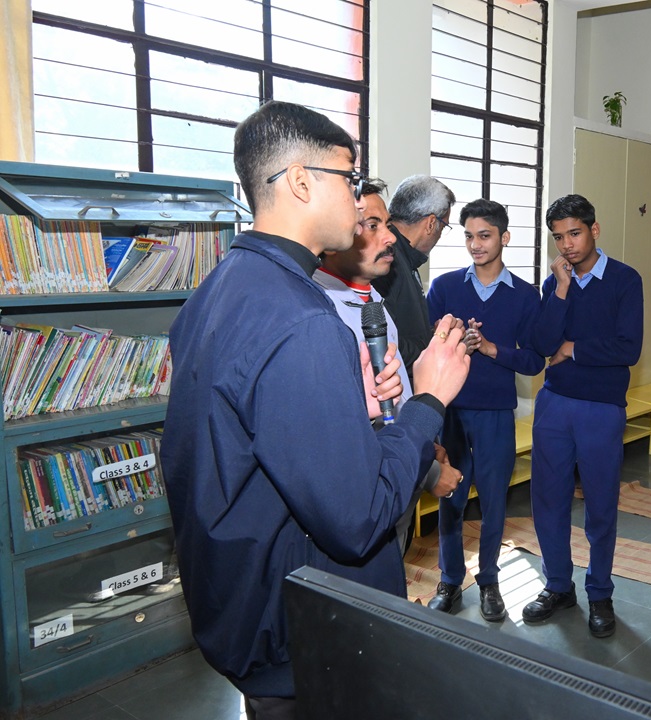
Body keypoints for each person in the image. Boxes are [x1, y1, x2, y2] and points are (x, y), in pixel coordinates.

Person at [160, 101, 470, 718]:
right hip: (302, 634)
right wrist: (428, 399)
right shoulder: (303, 319)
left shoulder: (222, 288)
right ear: (301, 181)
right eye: (348, 179)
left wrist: (348, 406)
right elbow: (357, 519)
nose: (358, 202)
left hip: (242, 605)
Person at [314, 178, 462, 553]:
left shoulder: (372, 299)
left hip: (403, 461)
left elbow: (395, 395)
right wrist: (429, 471)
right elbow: (355, 427)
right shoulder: (321, 312)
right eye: (372, 225)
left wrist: (426, 447)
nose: (391, 237)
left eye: (386, 224)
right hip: (369, 489)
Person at [523, 194, 644, 638]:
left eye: (574, 233)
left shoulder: (625, 280)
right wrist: (559, 290)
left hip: (601, 408)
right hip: (554, 403)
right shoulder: (555, 282)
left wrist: (572, 348)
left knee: (600, 505)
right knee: (548, 500)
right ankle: (558, 585)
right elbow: (541, 343)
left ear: (594, 229)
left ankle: (600, 592)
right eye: (558, 237)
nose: (567, 245)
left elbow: (628, 347)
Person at [425, 198, 545, 621]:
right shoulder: (444, 288)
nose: (475, 245)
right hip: (451, 411)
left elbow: (534, 361)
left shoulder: (526, 296)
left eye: (485, 236)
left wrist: (492, 349)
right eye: (469, 236)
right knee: (451, 498)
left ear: (504, 238)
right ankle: (449, 579)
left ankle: (490, 581)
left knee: (494, 502)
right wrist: (451, 338)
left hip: (495, 413)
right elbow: (425, 348)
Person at [373, 174, 456, 377]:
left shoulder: (405, 257)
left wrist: (434, 335)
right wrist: (434, 348)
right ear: (431, 223)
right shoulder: (386, 261)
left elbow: (402, 327)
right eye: (444, 226)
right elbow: (382, 342)